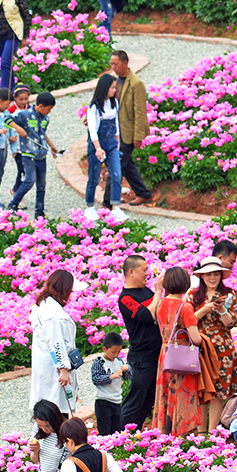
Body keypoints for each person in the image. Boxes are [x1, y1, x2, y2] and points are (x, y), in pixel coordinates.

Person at [150, 267, 205, 436]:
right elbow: (195, 339)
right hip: (181, 357)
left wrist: (158, 291)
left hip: (165, 353)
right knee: (182, 395)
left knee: (165, 393)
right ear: (185, 284)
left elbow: (151, 313)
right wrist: (204, 340)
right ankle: (181, 433)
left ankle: (164, 432)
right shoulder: (185, 307)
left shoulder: (160, 303)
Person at [191, 246, 237, 427]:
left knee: (219, 389)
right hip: (201, 347)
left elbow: (230, 323)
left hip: (223, 349)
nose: (212, 278)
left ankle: (212, 432)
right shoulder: (193, 296)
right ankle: (201, 431)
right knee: (201, 388)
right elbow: (187, 321)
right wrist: (203, 310)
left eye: (216, 274)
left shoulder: (229, 295)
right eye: (208, 274)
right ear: (202, 276)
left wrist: (221, 310)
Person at [118, 255, 161, 430]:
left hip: (156, 354)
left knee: (149, 398)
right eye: (144, 270)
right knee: (136, 398)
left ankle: (135, 432)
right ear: (131, 272)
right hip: (141, 357)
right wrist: (158, 292)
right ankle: (121, 435)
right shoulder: (125, 298)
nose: (147, 273)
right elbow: (146, 315)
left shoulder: (146, 291)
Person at [28, 269, 78, 415]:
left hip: (49, 365)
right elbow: (56, 343)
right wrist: (63, 369)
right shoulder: (51, 313)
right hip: (54, 368)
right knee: (54, 409)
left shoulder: (45, 305)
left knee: (51, 406)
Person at [7, 89, 59, 217]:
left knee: (41, 184)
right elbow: (7, 120)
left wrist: (52, 146)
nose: (49, 112)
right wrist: (19, 129)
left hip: (42, 155)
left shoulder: (46, 118)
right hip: (29, 154)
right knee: (30, 180)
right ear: (40, 106)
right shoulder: (25, 115)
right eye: (48, 109)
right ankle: (13, 204)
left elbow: (43, 134)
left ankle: (39, 211)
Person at [111, 50, 154, 204]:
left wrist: (138, 136)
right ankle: (144, 194)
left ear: (125, 63)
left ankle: (108, 201)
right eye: (111, 64)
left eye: (116, 64)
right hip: (117, 130)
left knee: (118, 165)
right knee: (127, 165)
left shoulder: (136, 83)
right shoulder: (116, 80)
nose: (113, 67)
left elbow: (141, 111)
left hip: (128, 133)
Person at [82, 73, 124, 220]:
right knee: (94, 177)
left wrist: (118, 140)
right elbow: (92, 129)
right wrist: (98, 148)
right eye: (112, 88)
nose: (114, 90)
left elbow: (116, 123)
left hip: (112, 144)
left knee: (116, 175)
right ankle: (89, 206)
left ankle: (116, 207)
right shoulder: (94, 107)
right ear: (105, 88)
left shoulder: (115, 103)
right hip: (97, 146)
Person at [89, 332, 129, 435]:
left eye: (119, 352)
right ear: (104, 349)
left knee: (116, 431)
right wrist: (111, 376)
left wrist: (127, 370)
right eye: (113, 352)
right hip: (103, 401)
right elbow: (96, 379)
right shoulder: (99, 362)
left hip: (116, 401)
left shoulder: (119, 361)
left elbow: (128, 377)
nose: (116, 355)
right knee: (104, 431)